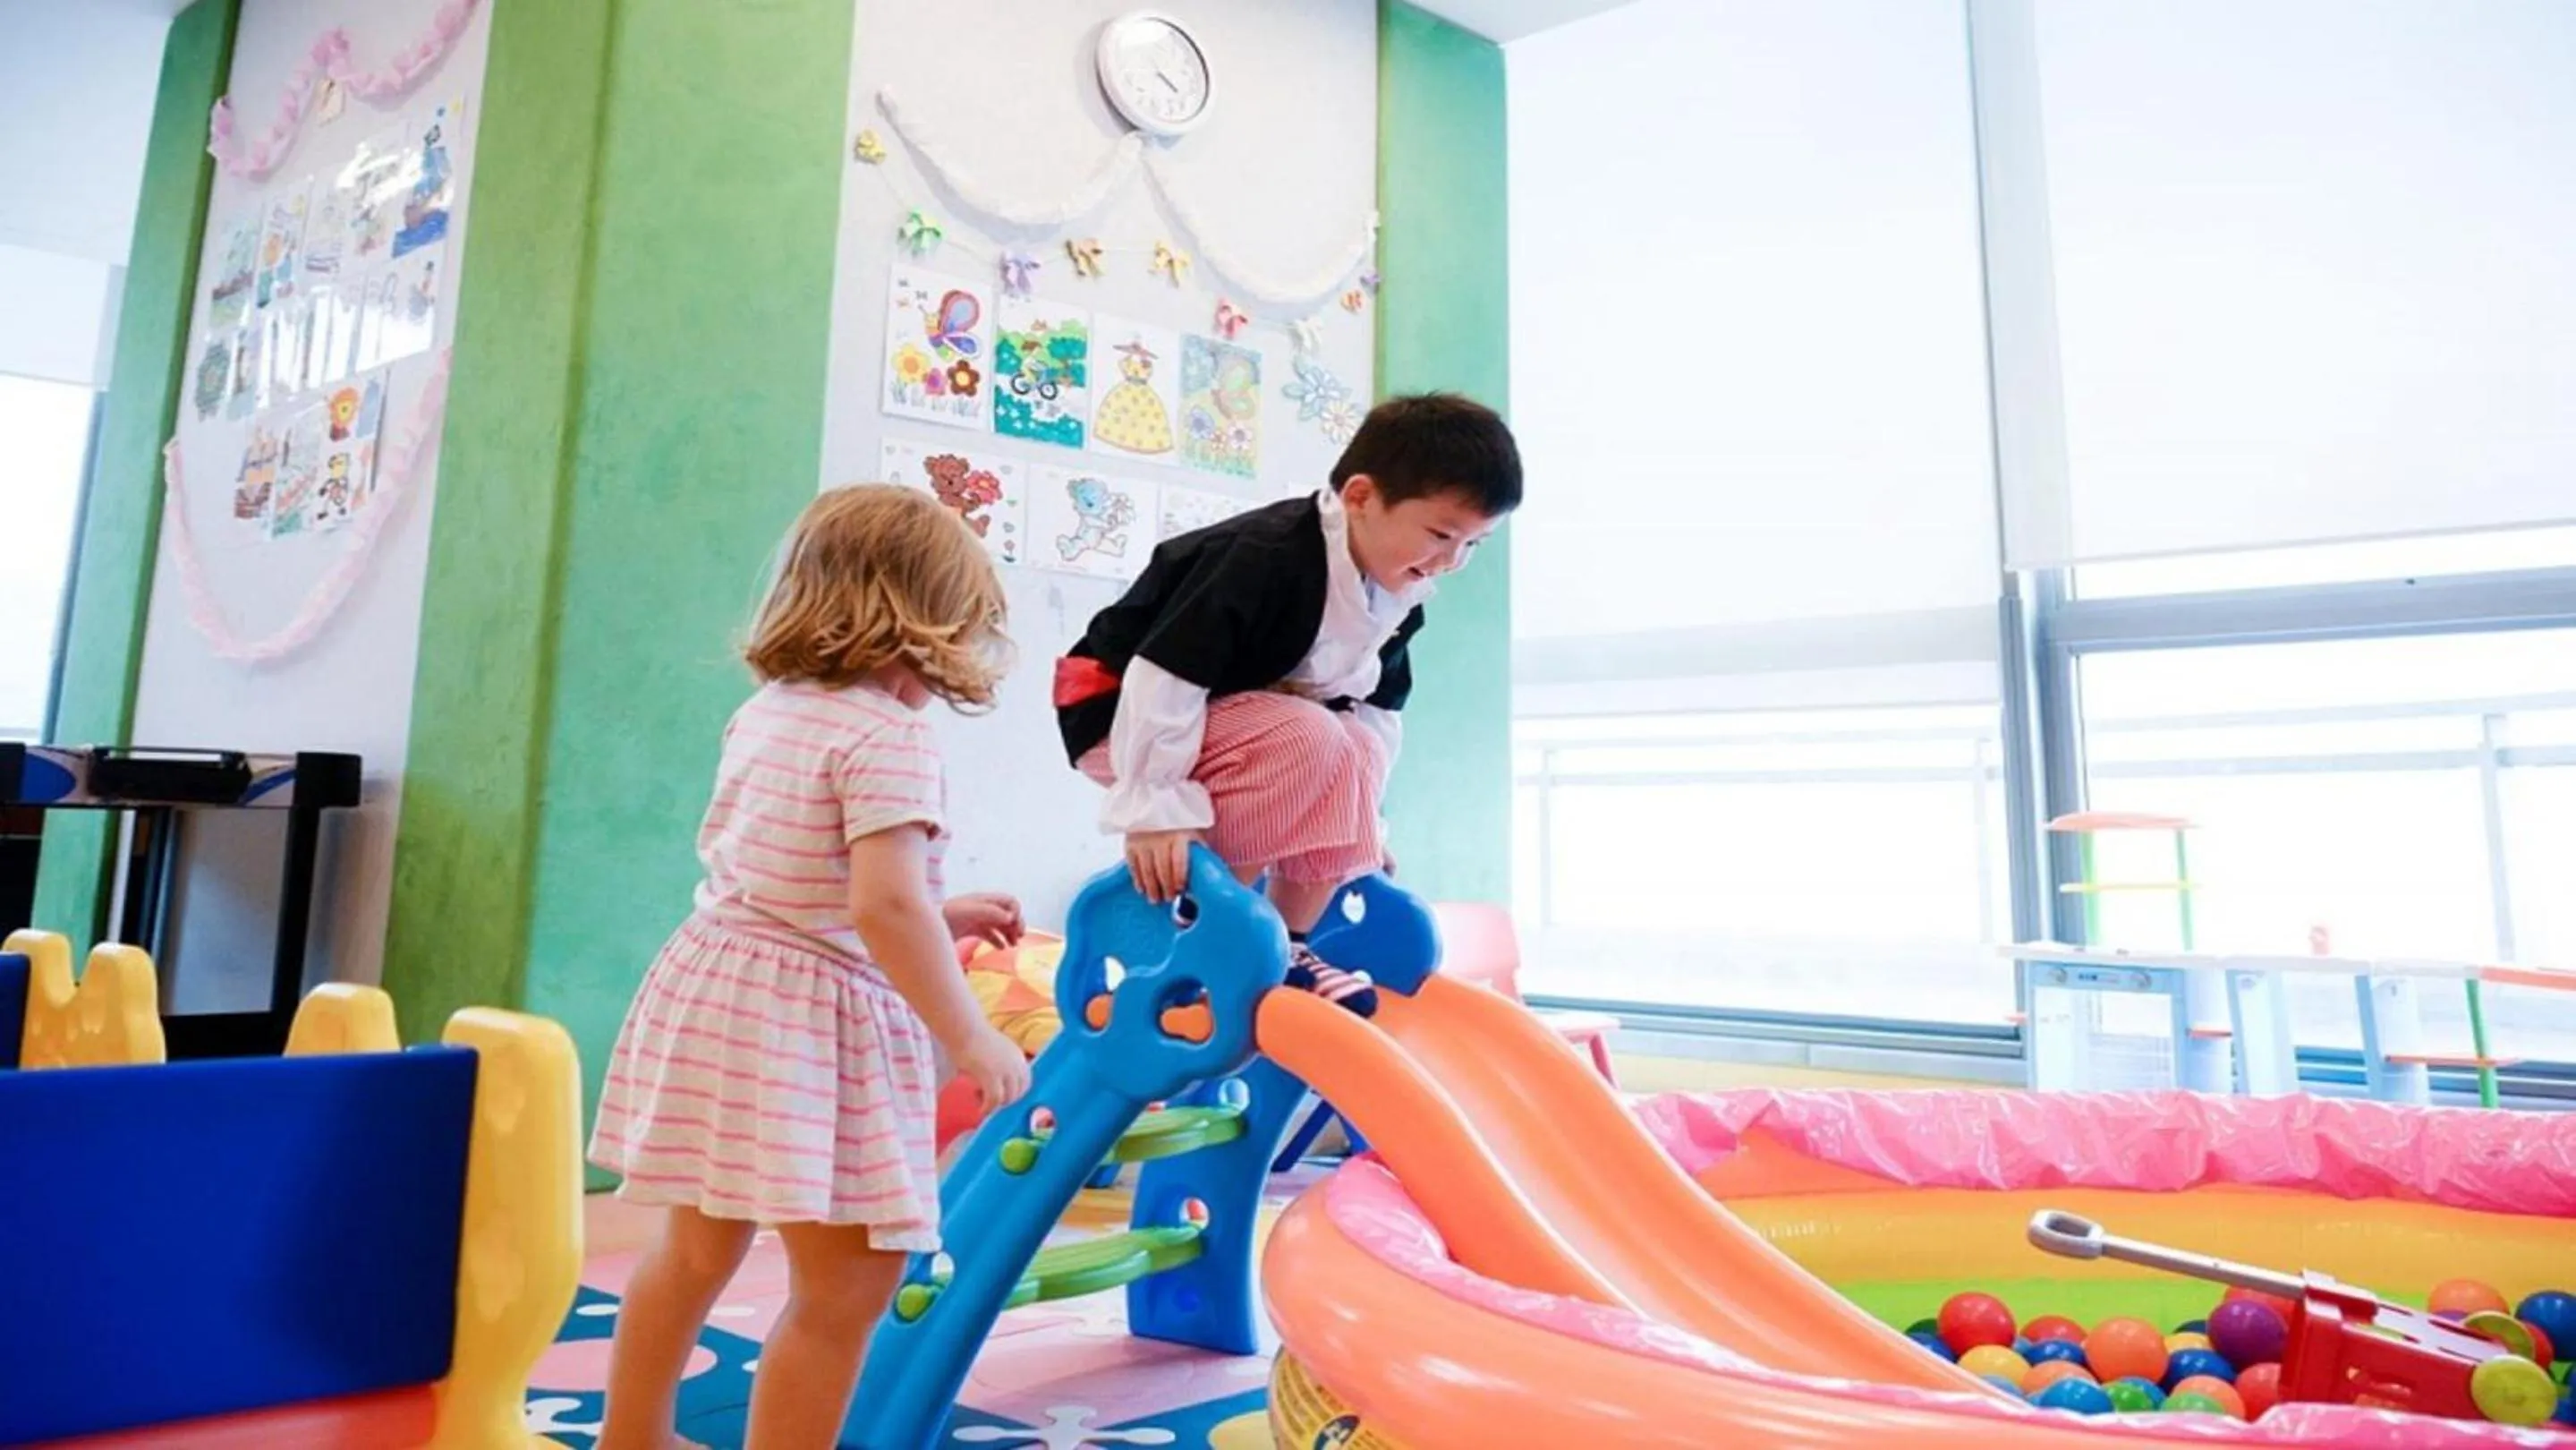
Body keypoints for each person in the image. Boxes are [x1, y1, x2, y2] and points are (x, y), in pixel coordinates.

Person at [589, 484, 1034, 1450]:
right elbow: (882, 904)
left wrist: (938, 912)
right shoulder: (890, 735)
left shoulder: (772, 711)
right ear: (922, 628)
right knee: (847, 1284)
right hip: (804, 1023)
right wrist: (969, 1033)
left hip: (716, 984)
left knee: (693, 1249)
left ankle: (631, 1436)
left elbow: (802, 875)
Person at [1053, 393, 1523, 1015]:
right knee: (1308, 732)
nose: (1452, 561)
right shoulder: (1263, 556)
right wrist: (1155, 806)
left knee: (1352, 741)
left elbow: (1376, 714)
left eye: (1473, 544)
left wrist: (1356, 824)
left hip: (1236, 716)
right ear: (1360, 497)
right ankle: (1215, 929)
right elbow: (1165, 676)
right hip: (1118, 707)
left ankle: (1289, 942)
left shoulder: (1396, 594)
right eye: (1441, 535)